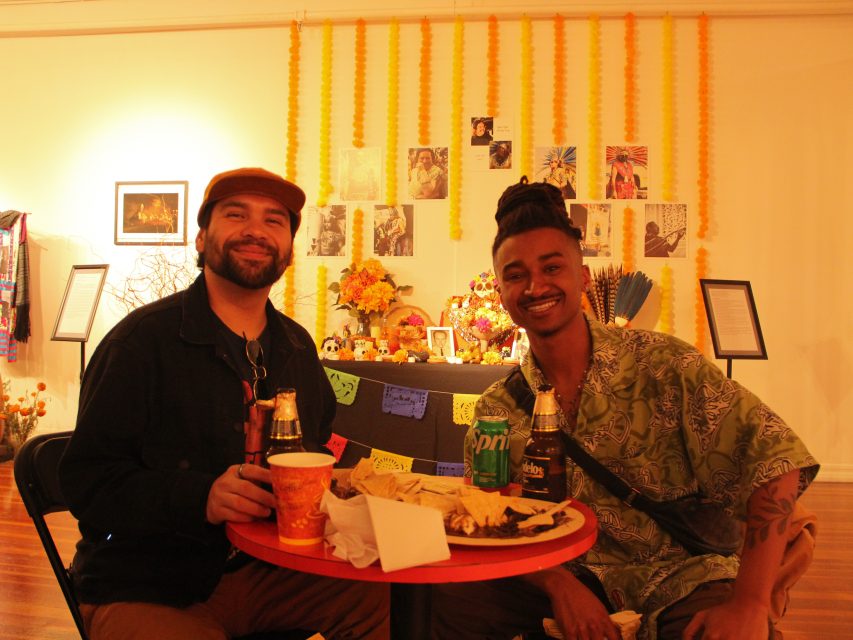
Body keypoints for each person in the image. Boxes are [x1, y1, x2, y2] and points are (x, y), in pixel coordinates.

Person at [432, 177, 818, 640]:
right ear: (501, 295)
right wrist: (558, 584)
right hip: (558, 581)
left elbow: (776, 460)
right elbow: (485, 521)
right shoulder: (498, 411)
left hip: (682, 579)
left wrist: (751, 604)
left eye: (552, 267)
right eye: (515, 275)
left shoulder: (666, 367)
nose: (535, 286)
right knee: (431, 605)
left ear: (584, 277)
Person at [58, 167, 390, 640]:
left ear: (288, 251)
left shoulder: (296, 347)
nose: (256, 230)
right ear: (200, 239)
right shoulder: (141, 342)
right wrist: (202, 497)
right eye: (236, 215)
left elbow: (313, 453)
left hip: (276, 570)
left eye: (275, 221)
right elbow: (86, 481)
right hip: (148, 584)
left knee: (400, 608)